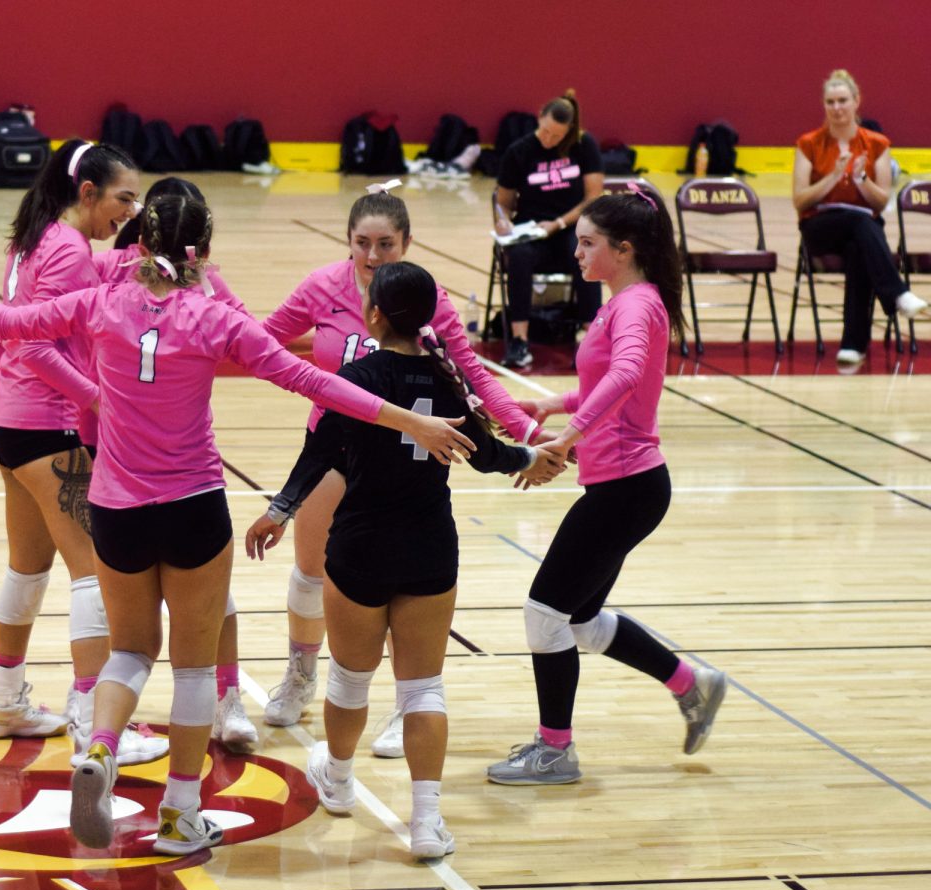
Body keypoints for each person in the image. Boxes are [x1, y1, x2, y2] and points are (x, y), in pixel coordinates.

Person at [0, 193, 479, 855]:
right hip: (192, 506)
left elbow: (11, 325)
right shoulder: (214, 321)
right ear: (203, 252)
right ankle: (181, 814)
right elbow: (313, 382)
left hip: (116, 506)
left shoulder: (100, 304)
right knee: (191, 668)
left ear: (139, 243)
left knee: (128, 652)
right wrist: (410, 419)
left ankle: (100, 748)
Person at [245, 261, 560, 861]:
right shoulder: (445, 381)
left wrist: (279, 511)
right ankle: (426, 821)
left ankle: (336, 779)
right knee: (423, 689)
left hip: (361, 545)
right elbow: (488, 454)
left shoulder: (357, 376)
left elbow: (319, 452)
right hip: (428, 546)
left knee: (349, 680)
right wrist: (530, 458)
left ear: (374, 315)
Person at [260, 184, 555, 758]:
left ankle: (404, 707)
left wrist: (526, 433)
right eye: (362, 244)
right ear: (347, 242)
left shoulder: (427, 299)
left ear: (407, 243)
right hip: (337, 445)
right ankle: (300, 675)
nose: (373, 257)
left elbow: (472, 378)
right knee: (311, 569)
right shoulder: (321, 287)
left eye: (386, 245)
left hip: (409, 454)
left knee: (405, 581)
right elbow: (261, 345)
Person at [0, 139, 166, 768]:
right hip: (50, 431)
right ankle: (89, 719)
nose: (130, 213)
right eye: (123, 198)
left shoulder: (31, 238)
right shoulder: (71, 252)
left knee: (27, 568)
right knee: (94, 573)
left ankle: (2, 701)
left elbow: (9, 329)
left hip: (12, 428)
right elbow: (32, 346)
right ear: (87, 192)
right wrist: (98, 399)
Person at [485, 189, 726, 787]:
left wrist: (566, 437)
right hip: (627, 487)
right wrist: (549, 402)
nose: (576, 250)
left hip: (628, 488)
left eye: (588, 242)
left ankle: (555, 750)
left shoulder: (637, 305)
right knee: (579, 619)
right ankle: (691, 684)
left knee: (545, 612)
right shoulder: (626, 300)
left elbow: (624, 376)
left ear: (623, 249)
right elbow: (615, 380)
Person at [95, 176, 257, 753]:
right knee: (181, 626)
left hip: (135, 480)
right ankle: (183, 801)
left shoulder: (196, 281)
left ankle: (226, 697)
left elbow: (24, 322)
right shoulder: (115, 276)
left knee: (172, 624)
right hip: (150, 463)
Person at [792, 68, 926, 366]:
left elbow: (881, 201)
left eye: (842, 100)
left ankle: (854, 345)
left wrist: (861, 178)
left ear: (856, 101)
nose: (836, 108)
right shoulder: (809, 144)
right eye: (830, 102)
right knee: (860, 224)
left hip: (863, 227)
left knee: (860, 246)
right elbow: (799, 200)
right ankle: (896, 294)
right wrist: (833, 178)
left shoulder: (877, 144)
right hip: (820, 226)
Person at [494, 91, 604, 369]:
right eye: (545, 131)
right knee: (519, 257)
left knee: (589, 252)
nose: (548, 139)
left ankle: (591, 338)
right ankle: (519, 341)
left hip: (569, 229)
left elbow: (593, 198)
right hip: (532, 231)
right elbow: (503, 203)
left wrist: (558, 223)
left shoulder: (583, 145)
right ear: (539, 118)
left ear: (569, 132)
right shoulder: (518, 151)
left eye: (556, 136)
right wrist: (503, 221)